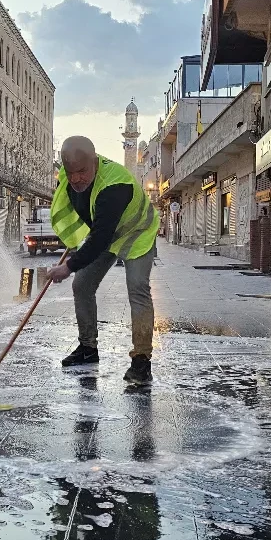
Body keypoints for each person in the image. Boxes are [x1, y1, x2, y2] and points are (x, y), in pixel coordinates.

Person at [46, 136, 160, 385]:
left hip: (137, 232)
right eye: (71, 172)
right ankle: (88, 349)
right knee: (82, 285)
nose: (76, 179)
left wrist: (67, 267)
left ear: (94, 161)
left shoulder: (115, 185)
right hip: (107, 233)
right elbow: (88, 218)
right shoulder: (69, 179)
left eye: (82, 171)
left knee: (138, 288)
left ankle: (141, 361)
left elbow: (99, 238)